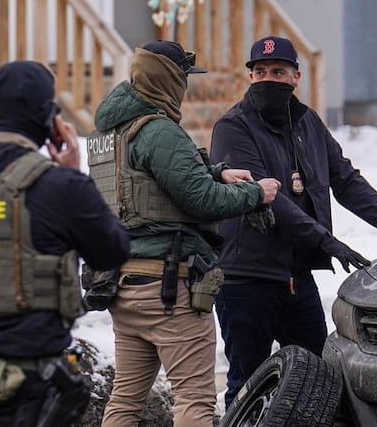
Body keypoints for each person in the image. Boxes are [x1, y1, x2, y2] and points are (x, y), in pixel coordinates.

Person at [209, 35, 377, 408]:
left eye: (278, 71)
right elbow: (271, 200)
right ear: (250, 76)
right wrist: (325, 240)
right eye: (261, 71)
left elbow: (346, 181)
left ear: (296, 77)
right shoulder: (232, 127)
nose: (269, 78)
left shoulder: (308, 123)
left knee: (316, 378)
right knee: (247, 387)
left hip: (296, 280)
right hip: (247, 279)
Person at [0, 60, 130, 426]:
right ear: (49, 119)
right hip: (34, 382)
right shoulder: (60, 187)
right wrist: (74, 176)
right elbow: (113, 250)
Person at [89, 39, 280, 427]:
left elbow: (147, 183)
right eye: (183, 77)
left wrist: (217, 170)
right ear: (170, 78)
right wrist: (256, 192)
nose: (185, 86)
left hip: (124, 284)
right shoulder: (160, 131)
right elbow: (203, 200)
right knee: (194, 398)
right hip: (169, 289)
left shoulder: (111, 133)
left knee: (125, 400)